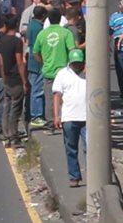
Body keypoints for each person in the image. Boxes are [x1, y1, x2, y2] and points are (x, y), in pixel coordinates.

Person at [36, 9, 77, 133]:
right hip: (64, 71)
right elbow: (72, 50)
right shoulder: (66, 33)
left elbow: (35, 53)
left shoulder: (42, 34)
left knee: (49, 99)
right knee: (65, 98)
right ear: (60, 19)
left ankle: (50, 125)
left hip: (48, 71)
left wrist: (43, 63)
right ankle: (65, 122)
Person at [53, 48, 88, 187]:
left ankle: (93, 175)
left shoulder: (89, 74)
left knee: (89, 148)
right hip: (69, 117)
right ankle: (74, 176)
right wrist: (56, 116)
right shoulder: (62, 74)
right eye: (74, 64)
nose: (77, 66)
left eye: (79, 63)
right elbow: (57, 96)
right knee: (71, 148)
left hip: (87, 117)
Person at [0, 16, 28, 147]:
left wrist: (4, 77)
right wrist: (24, 81)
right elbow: (19, 61)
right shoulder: (17, 41)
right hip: (16, 79)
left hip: (7, 79)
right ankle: (14, 136)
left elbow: (2, 62)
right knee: (16, 108)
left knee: (7, 107)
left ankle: (7, 134)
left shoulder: (1, 41)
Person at [27, 6, 50, 129]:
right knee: (37, 90)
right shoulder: (38, 29)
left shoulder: (31, 25)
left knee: (35, 89)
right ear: (43, 16)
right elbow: (38, 48)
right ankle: (36, 116)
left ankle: (36, 115)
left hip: (32, 61)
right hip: (37, 63)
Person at [111, 0, 123, 99]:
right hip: (119, 51)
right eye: (120, 4)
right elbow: (109, 31)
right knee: (120, 72)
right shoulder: (114, 17)